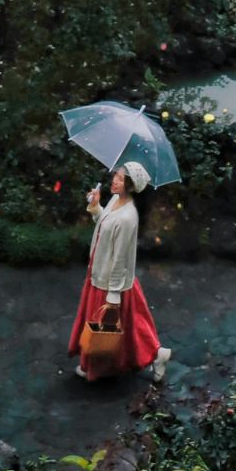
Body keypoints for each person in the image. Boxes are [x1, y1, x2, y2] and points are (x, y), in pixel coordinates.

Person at [67, 161, 172, 382]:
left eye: (121, 179)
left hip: (109, 281)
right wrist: (96, 206)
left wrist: (113, 294)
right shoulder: (115, 200)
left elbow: (120, 257)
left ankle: (96, 368)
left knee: (105, 327)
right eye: (116, 175)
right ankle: (157, 354)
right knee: (131, 324)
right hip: (101, 272)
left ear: (131, 185)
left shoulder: (128, 217)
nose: (114, 180)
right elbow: (105, 225)